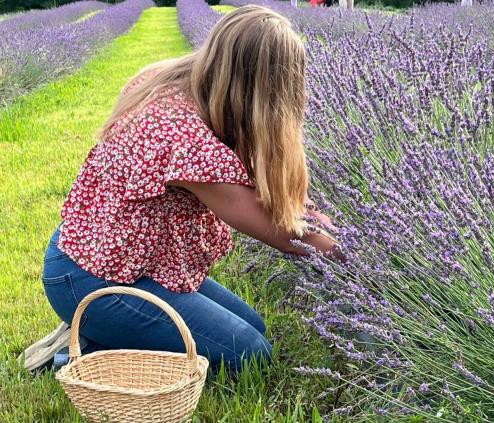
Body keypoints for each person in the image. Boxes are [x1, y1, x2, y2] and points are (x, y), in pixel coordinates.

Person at [21, 5, 344, 374]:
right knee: (250, 354)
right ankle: (86, 354)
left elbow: (268, 194)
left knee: (254, 329)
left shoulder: (165, 80)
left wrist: (318, 216)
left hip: (110, 257)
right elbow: (286, 237)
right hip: (94, 278)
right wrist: (362, 258)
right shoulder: (188, 142)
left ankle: (108, 332)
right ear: (259, 86)